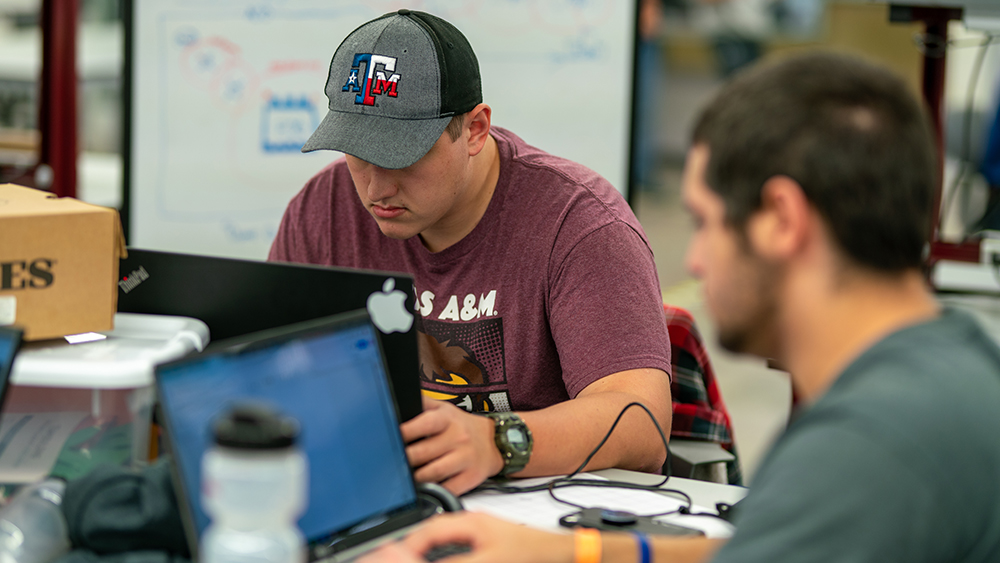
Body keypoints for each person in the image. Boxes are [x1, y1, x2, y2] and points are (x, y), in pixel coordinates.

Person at [359, 51, 1000, 562]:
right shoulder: (951, 367)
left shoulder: (869, 447)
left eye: (705, 222)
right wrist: (558, 552)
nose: (693, 261)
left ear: (781, 220)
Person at [268, 9, 673, 496]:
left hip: (541, 518)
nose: (376, 188)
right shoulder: (322, 211)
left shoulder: (579, 223)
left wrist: (495, 443)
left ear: (476, 130)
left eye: (402, 155)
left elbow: (642, 421)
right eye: (357, 153)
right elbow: (267, 372)